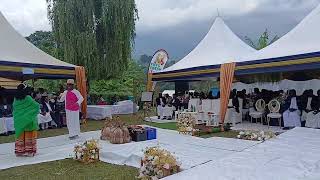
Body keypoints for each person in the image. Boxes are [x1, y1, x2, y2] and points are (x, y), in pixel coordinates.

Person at [13, 84, 39, 157]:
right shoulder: (28, 98)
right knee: (29, 134)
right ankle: (29, 151)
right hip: (28, 119)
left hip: (19, 120)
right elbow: (36, 106)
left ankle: (20, 151)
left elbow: (14, 108)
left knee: (21, 134)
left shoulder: (15, 98)